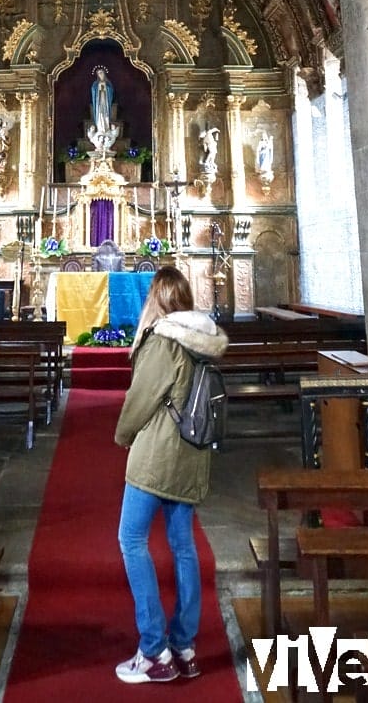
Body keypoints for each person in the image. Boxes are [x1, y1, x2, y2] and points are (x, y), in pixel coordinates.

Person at [113, 266, 228, 684]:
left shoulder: (164, 340)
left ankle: (154, 650)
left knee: (130, 539)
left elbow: (141, 398)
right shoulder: (205, 340)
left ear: (158, 299)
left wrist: (123, 434)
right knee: (183, 545)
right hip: (193, 454)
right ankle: (184, 644)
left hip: (158, 455)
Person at [91, 65, 115, 135]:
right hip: (98, 102)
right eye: (99, 73)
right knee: (100, 114)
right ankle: (100, 128)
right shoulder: (95, 83)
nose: (100, 74)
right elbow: (93, 90)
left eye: (101, 73)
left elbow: (111, 91)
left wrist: (105, 87)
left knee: (106, 114)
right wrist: (98, 87)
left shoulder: (108, 83)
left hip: (106, 101)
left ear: (104, 73)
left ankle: (106, 128)